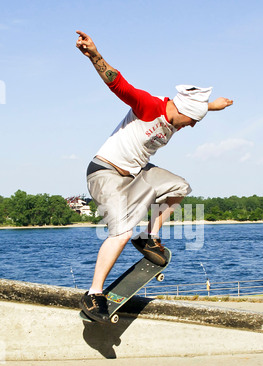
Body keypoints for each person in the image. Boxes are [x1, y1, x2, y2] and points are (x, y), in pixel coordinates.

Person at [76, 30, 233, 321]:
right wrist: (95, 56)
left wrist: (215, 106)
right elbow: (118, 85)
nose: (192, 127)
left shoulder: (181, 114)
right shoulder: (149, 107)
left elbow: (196, 107)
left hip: (136, 174)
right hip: (105, 173)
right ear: (182, 111)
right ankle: (93, 294)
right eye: (192, 121)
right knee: (121, 232)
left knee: (180, 187)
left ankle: (148, 236)